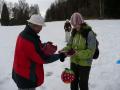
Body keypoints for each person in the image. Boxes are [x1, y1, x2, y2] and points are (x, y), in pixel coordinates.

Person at [12, 14, 67, 90]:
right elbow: (43, 59)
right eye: (40, 26)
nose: (41, 29)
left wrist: (43, 45)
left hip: (20, 72)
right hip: (26, 77)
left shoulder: (25, 34)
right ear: (35, 25)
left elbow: (33, 49)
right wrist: (60, 55)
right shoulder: (29, 39)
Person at [60, 12, 96, 90]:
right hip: (74, 62)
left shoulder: (89, 33)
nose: (74, 27)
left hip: (85, 64)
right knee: (73, 82)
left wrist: (77, 53)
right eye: (73, 25)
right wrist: (63, 51)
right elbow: (69, 45)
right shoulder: (74, 32)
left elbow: (91, 51)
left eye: (76, 25)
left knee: (83, 84)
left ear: (81, 23)